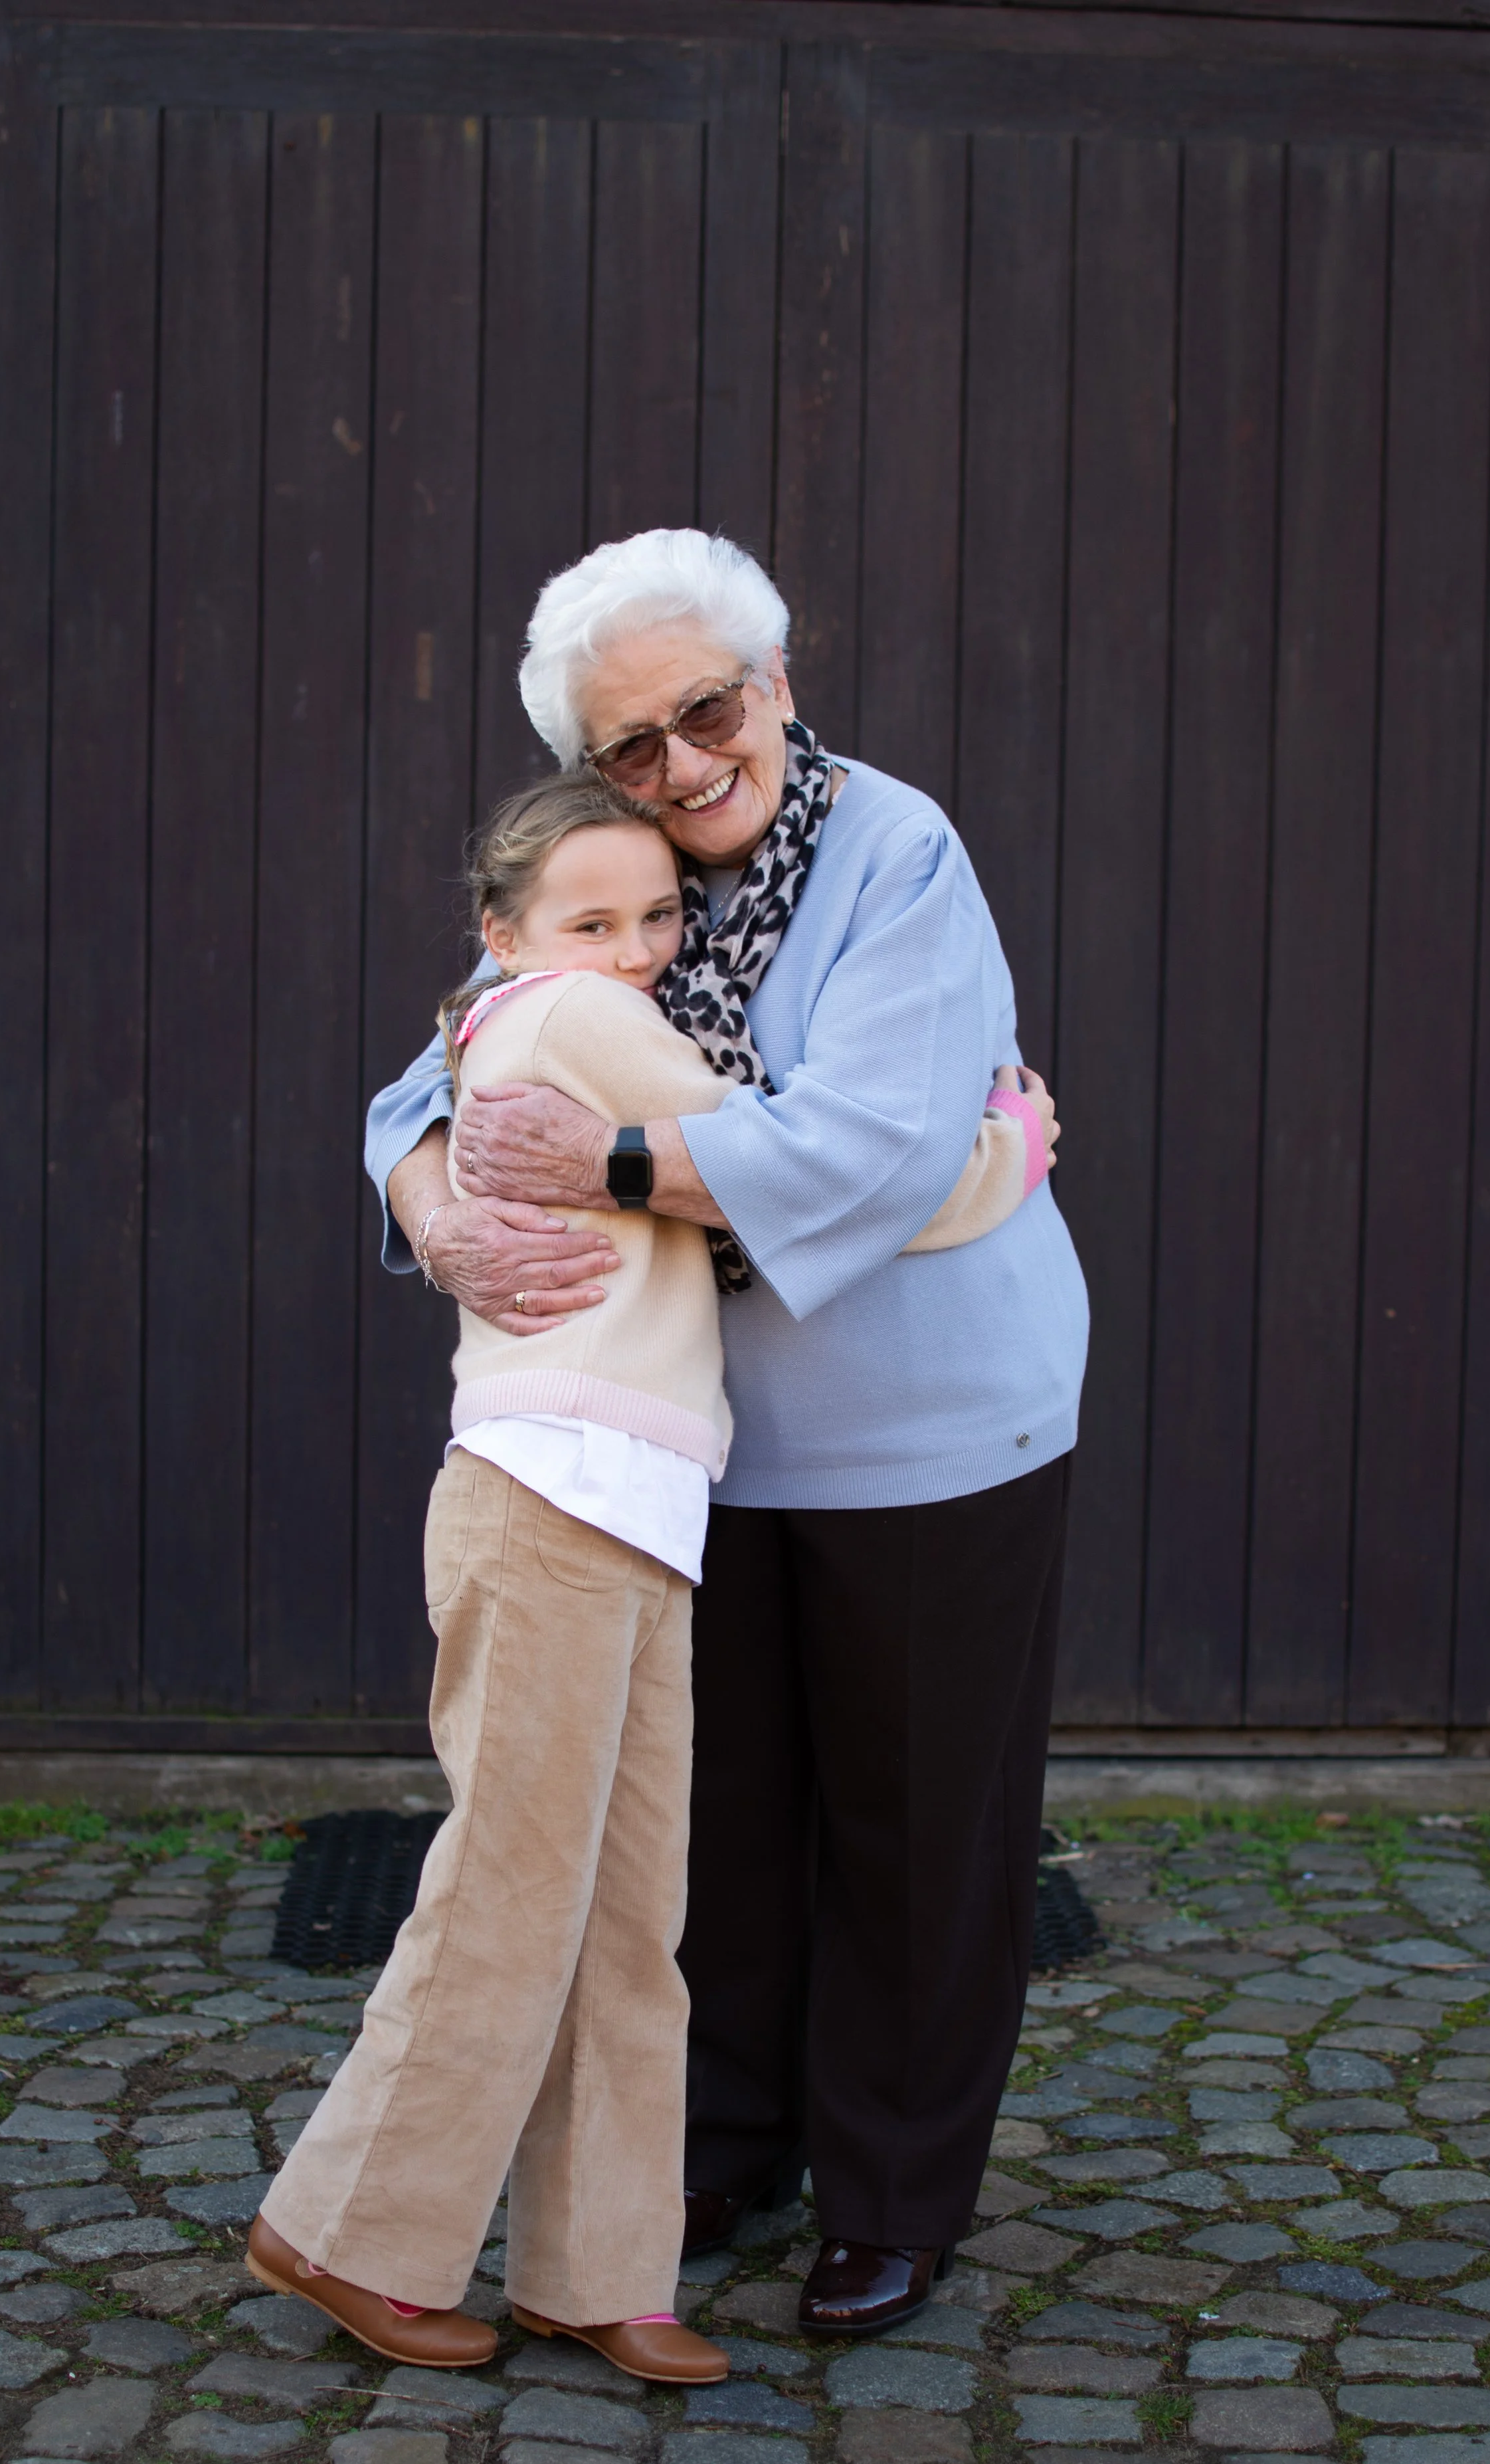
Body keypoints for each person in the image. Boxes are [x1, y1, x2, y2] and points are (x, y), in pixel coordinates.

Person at [371, 528, 1089, 2338]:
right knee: (720, 1828)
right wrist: (437, 1198)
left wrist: (605, 1159)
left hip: (933, 1424)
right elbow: (435, 1073)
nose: (687, 763)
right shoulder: (603, 879)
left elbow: (877, 1144)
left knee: (919, 1824)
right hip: (694, 1437)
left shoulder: (894, 850)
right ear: (589, 772)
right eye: (634, 743)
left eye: (711, 707)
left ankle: (894, 2190)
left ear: (778, 679)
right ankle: (728, 2142)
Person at [248, 769, 1034, 2381]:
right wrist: (1003, 1147)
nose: (634, 948)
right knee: (509, 1895)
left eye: (659, 917)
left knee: (623, 1917)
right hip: (551, 1499)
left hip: (639, 1509)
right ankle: (346, 2231)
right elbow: (811, 1166)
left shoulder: (549, 1015)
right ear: (503, 936)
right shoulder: (580, 1026)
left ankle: (600, 2274)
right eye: (590, 919)